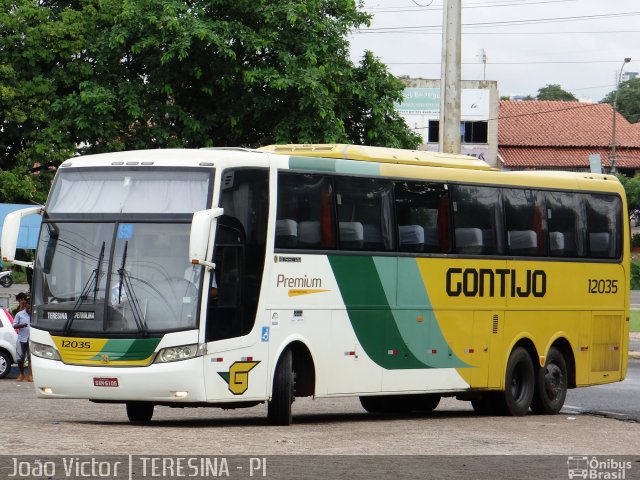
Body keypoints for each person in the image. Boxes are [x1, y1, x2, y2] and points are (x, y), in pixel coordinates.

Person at [12, 292, 32, 382]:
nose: (30, 309)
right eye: (28, 308)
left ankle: (30, 375)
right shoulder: (19, 314)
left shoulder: (35, 315)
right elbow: (14, 325)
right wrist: (21, 325)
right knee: (20, 358)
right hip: (21, 339)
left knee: (31, 358)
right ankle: (22, 374)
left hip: (32, 339)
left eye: (31, 308)